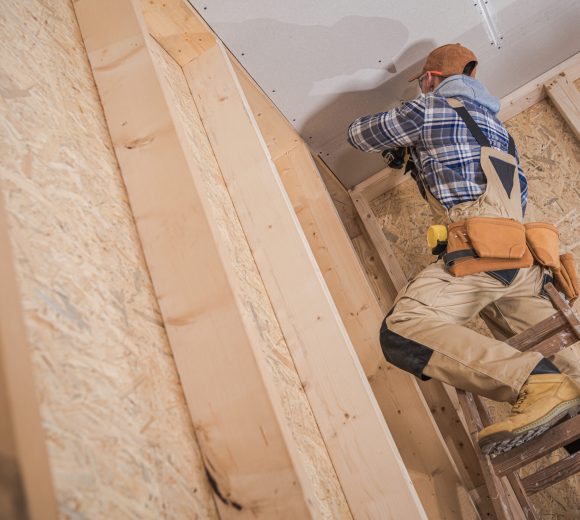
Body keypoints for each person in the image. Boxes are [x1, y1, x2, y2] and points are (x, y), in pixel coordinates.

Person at [347, 43, 580, 455]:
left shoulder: (429, 108)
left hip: (481, 252)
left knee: (404, 328)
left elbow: (359, 134)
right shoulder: (500, 132)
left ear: (430, 79)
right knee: (565, 357)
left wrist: (409, 125)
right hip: (521, 261)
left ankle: (536, 382)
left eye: (423, 82)